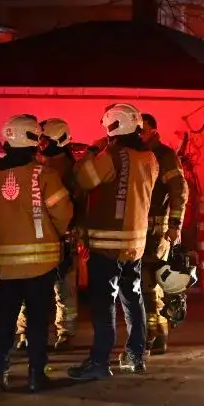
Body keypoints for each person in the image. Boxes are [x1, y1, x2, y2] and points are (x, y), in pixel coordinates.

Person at [68, 103, 158, 380]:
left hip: (107, 245)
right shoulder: (150, 157)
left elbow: (84, 179)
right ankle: (135, 355)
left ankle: (99, 362)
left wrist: (90, 152)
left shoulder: (112, 155)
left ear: (112, 126)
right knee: (133, 299)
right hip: (135, 244)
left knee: (103, 304)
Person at [0, 114, 74, 393]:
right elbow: (63, 213)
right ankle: (36, 376)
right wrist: (58, 235)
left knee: (5, 319)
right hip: (41, 263)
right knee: (37, 321)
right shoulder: (44, 174)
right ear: (34, 140)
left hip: (6, 265)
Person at [16, 117, 80, 351]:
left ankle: (64, 333)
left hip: (60, 237)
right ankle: (26, 332)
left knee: (63, 290)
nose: (40, 144)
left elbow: (75, 204)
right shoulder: (40, 165)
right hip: (43, 234)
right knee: (33, 288)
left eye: (44, 140)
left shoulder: (69, 169)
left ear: (57, 140)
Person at [139, 113, 189, 355]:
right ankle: (155, 334)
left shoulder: (164, 155)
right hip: (140, 229)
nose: (138, 134)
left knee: (148, 284)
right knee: (144, 285)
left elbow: (179, 190)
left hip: (157, 230)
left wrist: (175, 225)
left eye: (142, 130)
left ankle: (155, 335)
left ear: (153, 130)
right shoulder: (139, 154)